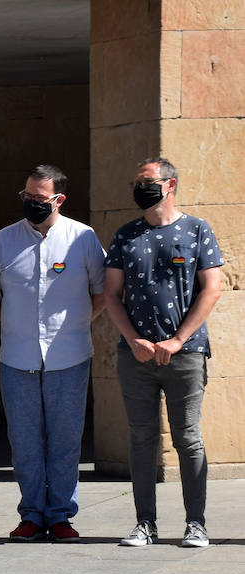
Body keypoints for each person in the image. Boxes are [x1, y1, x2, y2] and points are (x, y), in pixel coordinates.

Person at [102, 157, 225, 548]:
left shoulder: (196, 230)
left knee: (188, 438)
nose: (140, 188)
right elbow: (110, 294)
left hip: (185, 355)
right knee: (141, 438)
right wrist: (133, 339)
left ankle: (196, 523)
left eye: (147, 181)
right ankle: (145, 523)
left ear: (170, 185)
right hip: (135, 355)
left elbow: (212, 289)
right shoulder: (126, 236)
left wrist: (178, 339)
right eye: (137, 181)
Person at [0, 164, 106, 544]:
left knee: (66, 440)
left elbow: (102, 291)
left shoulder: (82, 238)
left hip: (69, 355)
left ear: (59, 199)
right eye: (27, 197)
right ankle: (32, 515)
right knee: (25, 441)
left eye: (39, 198)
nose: (31, 203)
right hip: (17, 358)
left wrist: (78, 322)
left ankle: (62, 515)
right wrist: (18, 325)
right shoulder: (3, 241)